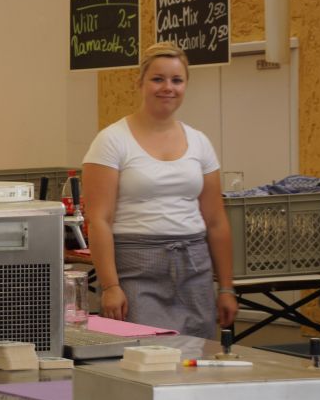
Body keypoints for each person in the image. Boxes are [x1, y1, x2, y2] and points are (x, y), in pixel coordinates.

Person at [81, 42, 238, 338]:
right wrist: (111, 286)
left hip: (194, 269)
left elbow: (216, 221)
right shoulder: (111, 140)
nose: (168, 88)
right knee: (145, 353)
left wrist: (227, 287)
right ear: (140, 82)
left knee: (196, 354)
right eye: (157, 79)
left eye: (177, 80)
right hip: (136, 269)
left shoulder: (200, 142)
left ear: (185, 85)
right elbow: (99, 220)